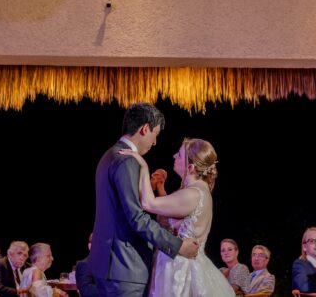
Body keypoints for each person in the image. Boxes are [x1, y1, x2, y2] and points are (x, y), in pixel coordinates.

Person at [87, 103, 199, 297]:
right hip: (125, 267)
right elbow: (136, 218)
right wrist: (178, 245)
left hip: (105, 265)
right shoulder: (127, 160)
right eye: (155, 135)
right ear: (145, 128)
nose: (154, 142)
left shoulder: (109, 156)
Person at [120, 137, 234, 297]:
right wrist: (160, 188)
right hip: (185, 264)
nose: (174, 156)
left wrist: (143, 166)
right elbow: (171, 219)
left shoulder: (193, 194)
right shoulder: (199, 190)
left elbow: (148, 204)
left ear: (191, 167)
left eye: (179, 155)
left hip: (179, 270)